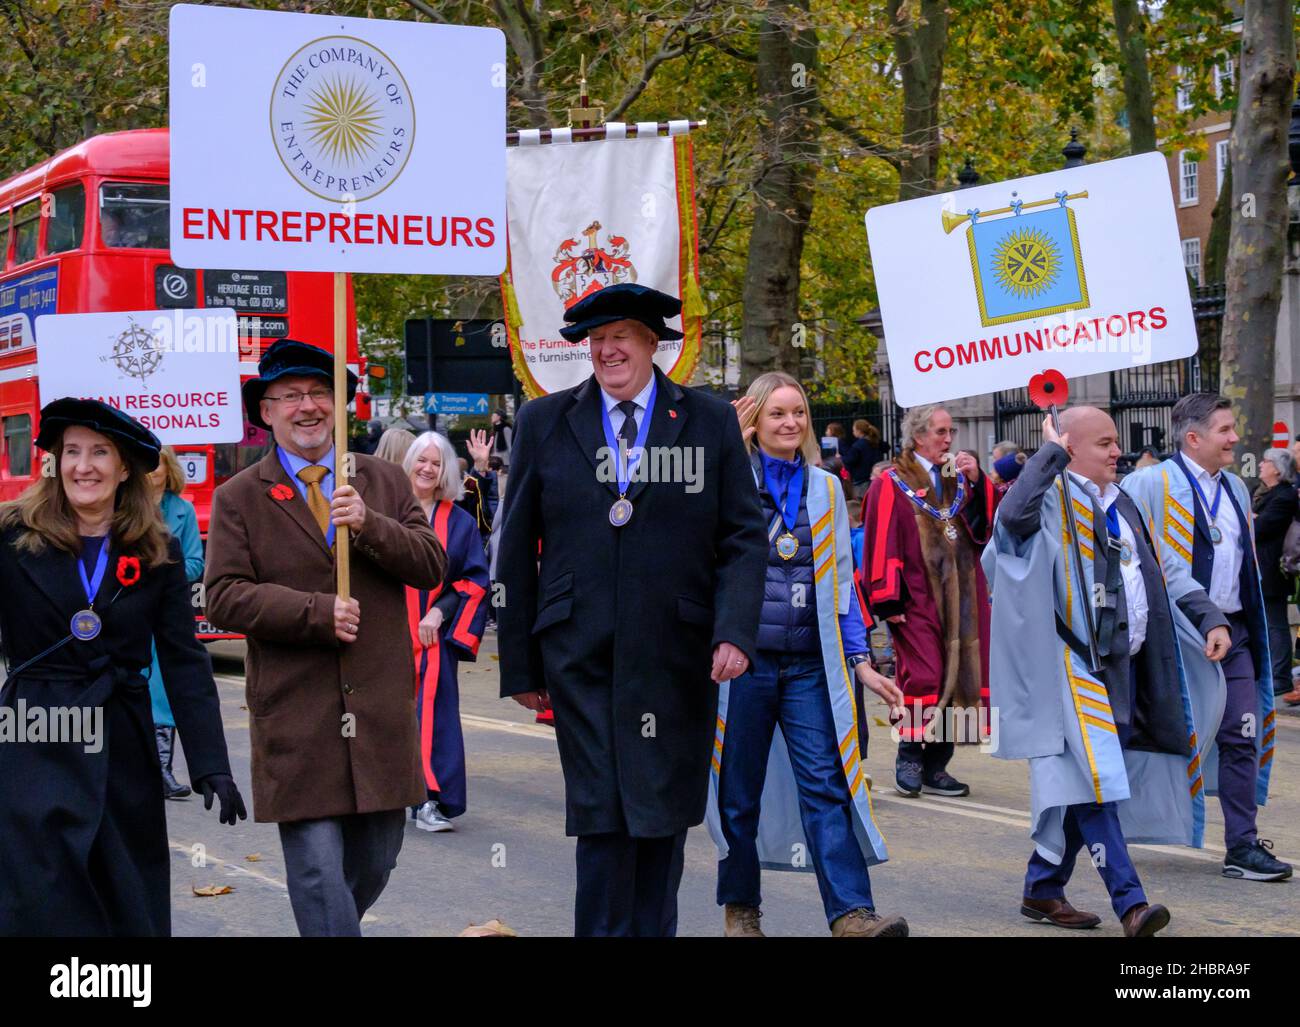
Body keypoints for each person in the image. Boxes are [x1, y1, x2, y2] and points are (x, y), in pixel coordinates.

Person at [496, 282, 767, 937]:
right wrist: (520, 662)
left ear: (653, 344)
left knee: (660, 820)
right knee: (604, 818)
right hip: (579, 654)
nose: (607, 349)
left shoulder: (706, 422)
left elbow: (742, 535)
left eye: (621, 336)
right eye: (597, 339)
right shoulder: (544, 420)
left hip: (676, 654)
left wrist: (733, 630)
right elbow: (514, 547)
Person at [205, 339, 447, 936]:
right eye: (290, 397)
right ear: (266, 412)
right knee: (316, 873)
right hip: (297, 720)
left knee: (374, 861)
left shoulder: (385, 481)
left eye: (319, 394)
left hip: (380, 719)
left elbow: (430, 564)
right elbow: (225, 595)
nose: (307, 407)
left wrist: (369, 525)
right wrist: (314, 612)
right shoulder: (238, 498)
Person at [0, 399, 244, 936]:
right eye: (71, 452)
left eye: (99, 452)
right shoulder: (12, 537)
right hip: (34, 736)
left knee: (122, 891)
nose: (82, 466)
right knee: (41, 893)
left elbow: (183, 660)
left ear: (125, 466)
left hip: (122, 741)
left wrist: (210, 762)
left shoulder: (157, 549)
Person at [985, 407, 1217, 937]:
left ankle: (1042, 888)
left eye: (1117, 442)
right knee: (1095, 781)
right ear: (1069, 448)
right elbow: (1010, 523)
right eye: (1104, 443)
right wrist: (1047, 455)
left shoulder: (1125, 501)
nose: (1118, 451)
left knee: (1082, 778)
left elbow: (1161, 571)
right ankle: (1131, 904)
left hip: (1124, 667)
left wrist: (1207, 618)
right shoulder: (1050, 497)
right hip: (1070, 668)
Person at [705, 373, 906, 938]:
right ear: (755, 421)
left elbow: (842, 581)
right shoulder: (727, 480)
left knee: (827, 783)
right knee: (737, 792)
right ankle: (741, 909)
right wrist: (725, 445)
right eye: (776, 414)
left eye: (798, 413)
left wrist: (860, 659)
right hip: (741, 665)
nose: (790, 423)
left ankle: (850, 914)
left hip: (809, 666)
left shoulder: (825, 487)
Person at [1124, 393, 1292, 882]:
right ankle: (1108, 828)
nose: (1235, 438)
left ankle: (1241, 845)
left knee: (1244, 731)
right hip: (1175, 639)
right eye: (1225, 430)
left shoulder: (1237, 489)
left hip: (1234, 632)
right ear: (1193, 438)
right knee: (1155, 738)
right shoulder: (1147, 483)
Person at [859, 404, 997, 798]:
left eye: (950, 432)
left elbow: (985, 527)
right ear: (919, 436)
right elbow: (880, 537)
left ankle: (938, 765)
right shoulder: (891, 481)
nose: (948, 439)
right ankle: (910, 753)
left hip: (964, 595)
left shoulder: (959, 478)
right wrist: (887, 598)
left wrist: (978, 481)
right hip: (916, 595)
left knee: (962, 677)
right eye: (941, 432)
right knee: (925, 675)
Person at [403, 431, 489, 833]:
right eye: (422, 459)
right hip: (385, 636)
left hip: (431, 638)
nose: (428, 468)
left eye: (436, 463)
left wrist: (439, 613)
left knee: (432, 717)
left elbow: (473, 581)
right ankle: (387, 796)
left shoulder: (459, 522)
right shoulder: (384, 512)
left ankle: (428, 800)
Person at [145, 445, 205, 800]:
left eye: (158, 466)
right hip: (131, 612)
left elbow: (196, 564)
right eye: (147, 465)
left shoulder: (182, 510)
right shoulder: (124, 507)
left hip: (168, 615)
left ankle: (163, 770)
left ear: (169, 471)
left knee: (165, 691)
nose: (152, 472)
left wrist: (162, 572)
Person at [1252, 449, 1297, 699]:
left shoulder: (1285, 496)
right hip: (1258, 567)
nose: (1261, 464)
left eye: (1266, 461)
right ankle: (1272, 673)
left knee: (1276, 624)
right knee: (1267, 624)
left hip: (1273, 569)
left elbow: (1258, 528)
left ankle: (1281, 678)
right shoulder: (1261, 493)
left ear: (1278, 469)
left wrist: (1252, 519)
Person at [843, 420, 882, 490]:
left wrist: (841, 458)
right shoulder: (874, 442)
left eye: (854, 430)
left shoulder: (858, 445)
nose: (853, 432)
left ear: (859, 431)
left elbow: (849, 460)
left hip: (860, 480)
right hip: (872, 476)